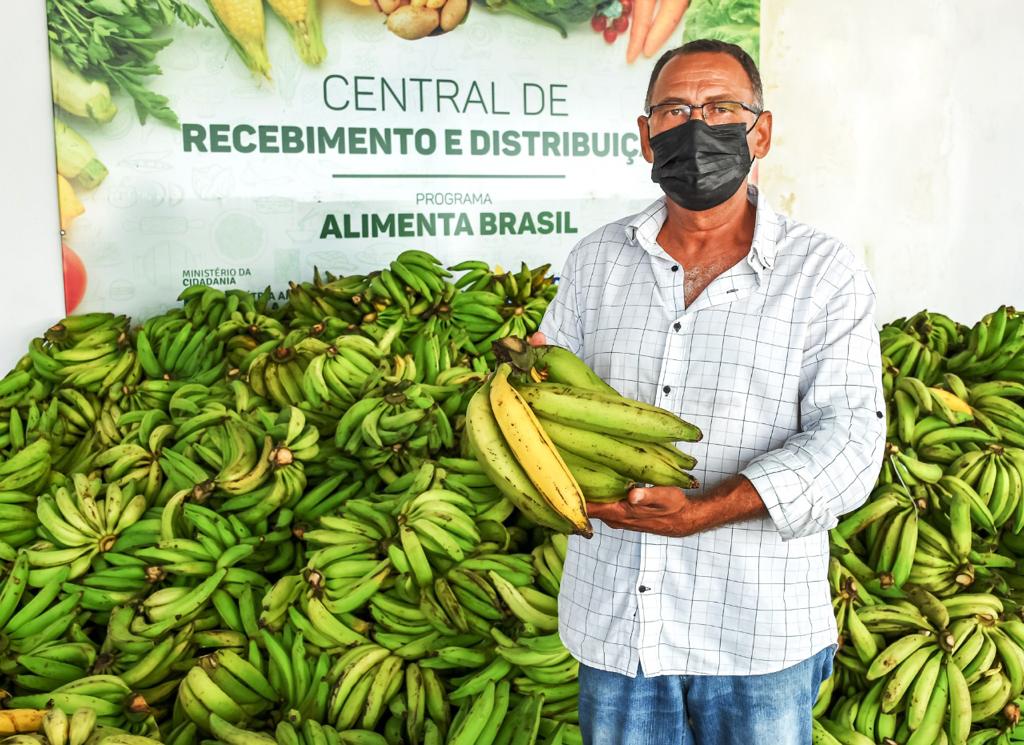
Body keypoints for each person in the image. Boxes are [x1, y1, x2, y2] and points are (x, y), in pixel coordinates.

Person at [530, 39, 887, 745]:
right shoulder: (595, 260)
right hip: (618, 630)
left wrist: (706, 510)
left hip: (757, 640)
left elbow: (851, 441)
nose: (698, 126)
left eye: (722, 108)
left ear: (761, 131)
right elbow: (548, 403)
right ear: (646, 136)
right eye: (674, 110)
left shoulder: (822, 271)